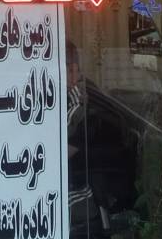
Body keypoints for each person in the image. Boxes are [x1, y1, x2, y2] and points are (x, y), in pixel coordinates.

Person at [65, 41, 104, 237]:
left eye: (76, 71)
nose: (74, 78)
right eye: (69, 71)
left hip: (76, 205)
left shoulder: (79, 109)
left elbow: (64, 153)